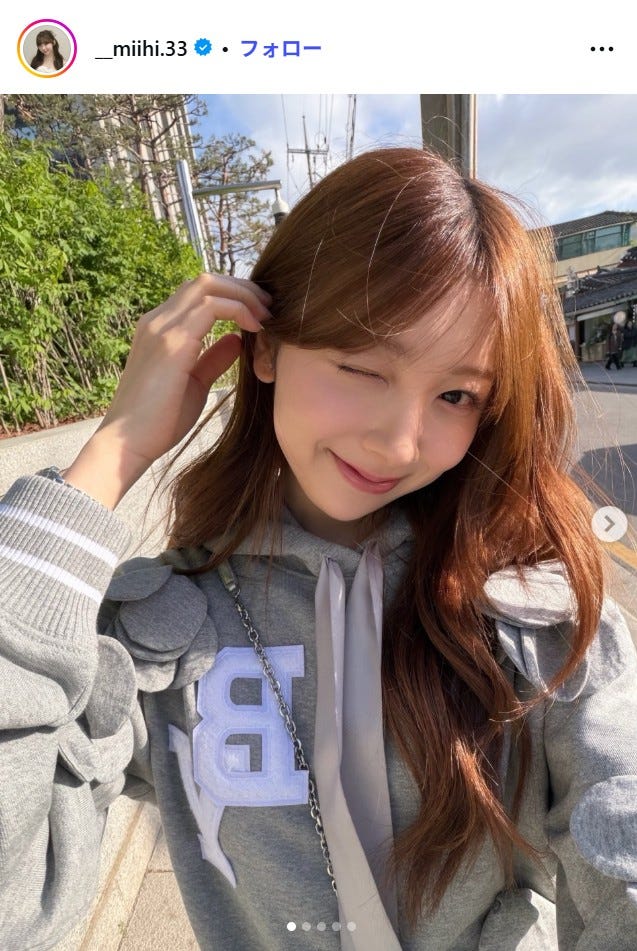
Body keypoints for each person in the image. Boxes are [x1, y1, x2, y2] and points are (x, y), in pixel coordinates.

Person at [1, 148, 636, 951]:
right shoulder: (158, 637)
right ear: (264, 348)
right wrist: (112, 453)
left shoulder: (535, 621)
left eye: (455, 394)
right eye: (361, 367)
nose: (398, 442)